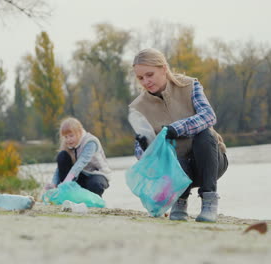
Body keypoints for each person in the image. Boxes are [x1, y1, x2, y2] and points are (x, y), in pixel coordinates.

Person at [129, 48, 228, 222]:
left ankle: (209, 202)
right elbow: (140, 154)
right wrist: (146, 149)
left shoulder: (190, 85)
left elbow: (208, 115)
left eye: (150, 74)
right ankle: (179, 202)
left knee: (205, 134)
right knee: (168, 152)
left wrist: (177, 129)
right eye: (140, 78)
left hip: (210, 163)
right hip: (175, 173)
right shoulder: (138, 108)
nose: (146, 81)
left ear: (164, 68)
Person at [45, 117, 110, 197]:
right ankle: (68, 195)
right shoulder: (67, 144)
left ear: (79, 132)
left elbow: (81, 163)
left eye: (71, 136)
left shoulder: (90, 142)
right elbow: (59, 168)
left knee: (95, 184)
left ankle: (94, 202)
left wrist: (66, 182)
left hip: (96, 174)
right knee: (62, 156)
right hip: (79, 175)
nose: (68, 139)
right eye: (66, 137)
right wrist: (54, 184)